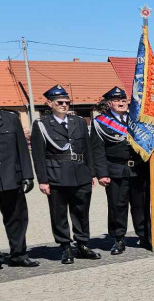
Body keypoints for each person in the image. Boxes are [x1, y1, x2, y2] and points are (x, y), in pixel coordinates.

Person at [31, 85, 105, 265]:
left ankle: (82, 244)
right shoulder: (41, 125)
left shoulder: (78, 122)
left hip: (80, 174)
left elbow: (87, 149)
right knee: (59, 214)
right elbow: (39, 155)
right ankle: (65, 247)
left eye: (66, 102)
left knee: (81, 212)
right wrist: (43, 180)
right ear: (49, 103)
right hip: (56, 175)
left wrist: (92, 173)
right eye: (60, 102)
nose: (64, 105)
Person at [93, 87, 154, 253]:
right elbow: (98, 150)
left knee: (141, 205)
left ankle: (144, 236)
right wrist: (101, 173)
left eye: (123, 100)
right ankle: (119, 239)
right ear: (109, 103)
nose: (121, 103)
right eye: (117, 101)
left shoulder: (137, 119)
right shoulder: (100, 122)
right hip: (116, 170)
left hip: (139, 170)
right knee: (117, 206)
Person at [0, 108, 38, 267]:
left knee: (17, 218)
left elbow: (22, 148)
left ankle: (18, 254)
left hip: (11, 178)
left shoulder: (11, 118)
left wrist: (28, 174)